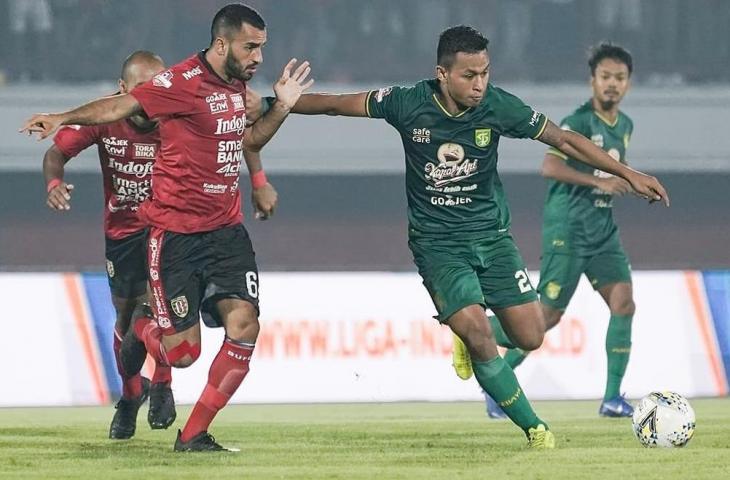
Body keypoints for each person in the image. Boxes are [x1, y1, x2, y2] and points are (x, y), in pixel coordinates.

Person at [280, 26, 669, 448]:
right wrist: (273, 103)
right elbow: (338, 105)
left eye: (485, 72)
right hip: (437, 244)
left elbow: (561, 139)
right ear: (442, 74)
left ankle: (468, 331)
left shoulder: (498, 106)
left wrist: (628, 172)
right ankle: (535, 428)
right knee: (479, 334)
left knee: (531, 335)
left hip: (492, 237)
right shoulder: (408, 102)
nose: (480, 84)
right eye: (469, 75)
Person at [21, 3, 312, 452]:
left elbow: (247, 139)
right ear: (222, 43)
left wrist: (282, 112)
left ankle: (193, 435)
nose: (258, 57)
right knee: (183, 354)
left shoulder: (237, 85)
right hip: (173, 237)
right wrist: (63, 117)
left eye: (262, 48)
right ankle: (142, 331)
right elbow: (120, 105)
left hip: (226, 232)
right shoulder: (181, 83)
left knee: (246, 325)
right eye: (251, 47)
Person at [491, 43, 641, 419]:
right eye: (605, 77)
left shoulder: (625, 126)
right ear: (592, 81)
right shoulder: (578, 122)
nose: (612, 85)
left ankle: (611, 398)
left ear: (628, 84)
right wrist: (599, 183)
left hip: (603, 231)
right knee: (545, 320)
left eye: (619, 78)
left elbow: (613, 172)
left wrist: (626, 183)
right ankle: (478, 338)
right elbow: (550, 167)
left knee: (624, 303)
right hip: (569, 230)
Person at [43, 50, 176, 439]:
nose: (150, 98)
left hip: (166, 230)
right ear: (123, 90)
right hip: (121, 234)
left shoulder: (177, 120)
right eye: (141, 89)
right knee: (125, 320)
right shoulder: (106, 117)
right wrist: (53, 183)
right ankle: (132, 395)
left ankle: (164, 384)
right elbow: (56, 151)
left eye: (158, 88)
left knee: (159, 311)